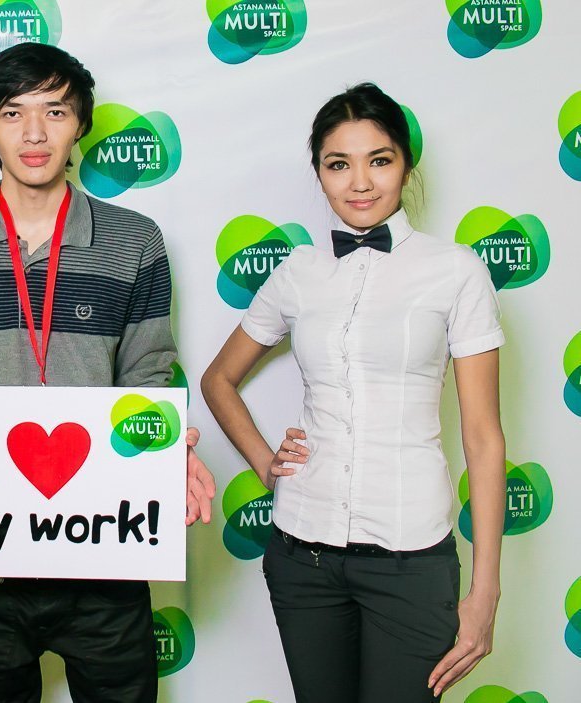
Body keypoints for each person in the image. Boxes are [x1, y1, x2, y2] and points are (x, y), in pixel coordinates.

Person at [0, 43, 215, 701]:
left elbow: (147, 375)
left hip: (104, 562)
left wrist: (164, 450)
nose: (33, 133)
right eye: (12, 112)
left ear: (80, 124)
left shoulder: (134, 241)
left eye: (54, 111)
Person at [201, 82, 506, 703]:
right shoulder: (298, 272)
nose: (360, 183)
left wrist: (485, 592)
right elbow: (217, 379)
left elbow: (483, 437)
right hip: (301, 557)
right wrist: (264, 462)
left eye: (379, 160)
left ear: (406, 165)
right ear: (319, 173)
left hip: (411, 559)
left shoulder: (456, 272)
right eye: (339, 164)